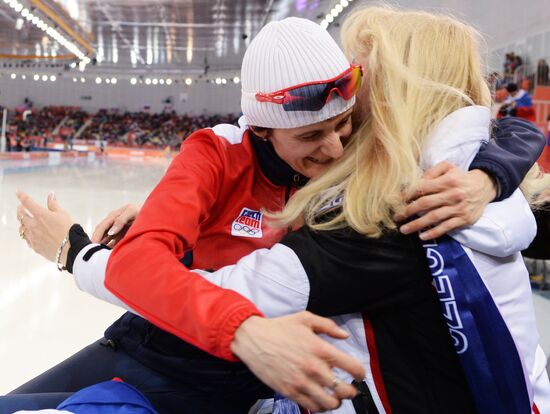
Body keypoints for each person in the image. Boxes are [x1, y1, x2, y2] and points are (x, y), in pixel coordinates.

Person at [12, 16, 547, 414]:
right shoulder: (219, 152)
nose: (336, 150)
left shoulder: (380, 185)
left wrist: (490, 175)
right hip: (171, 348)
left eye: (344, 125)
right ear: (261, 128)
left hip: (260, 371)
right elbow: (140, 265)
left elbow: (488, 128)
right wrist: (158, 231)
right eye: (311, 135)